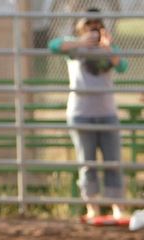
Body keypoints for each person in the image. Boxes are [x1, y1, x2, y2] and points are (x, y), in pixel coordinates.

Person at [50, 12, 128, 223]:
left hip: (107, 113)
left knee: (113, 161)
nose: (93, 30)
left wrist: (107, 46)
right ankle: (92, 207)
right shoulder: (74, 48)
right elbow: (54, 46)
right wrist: (80, 41)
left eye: (97, 26)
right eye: (88, 26)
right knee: (87, 162)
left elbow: (121, 66)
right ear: (80, 28)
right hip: (81, 114)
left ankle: (117, 208)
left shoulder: (108, 48)